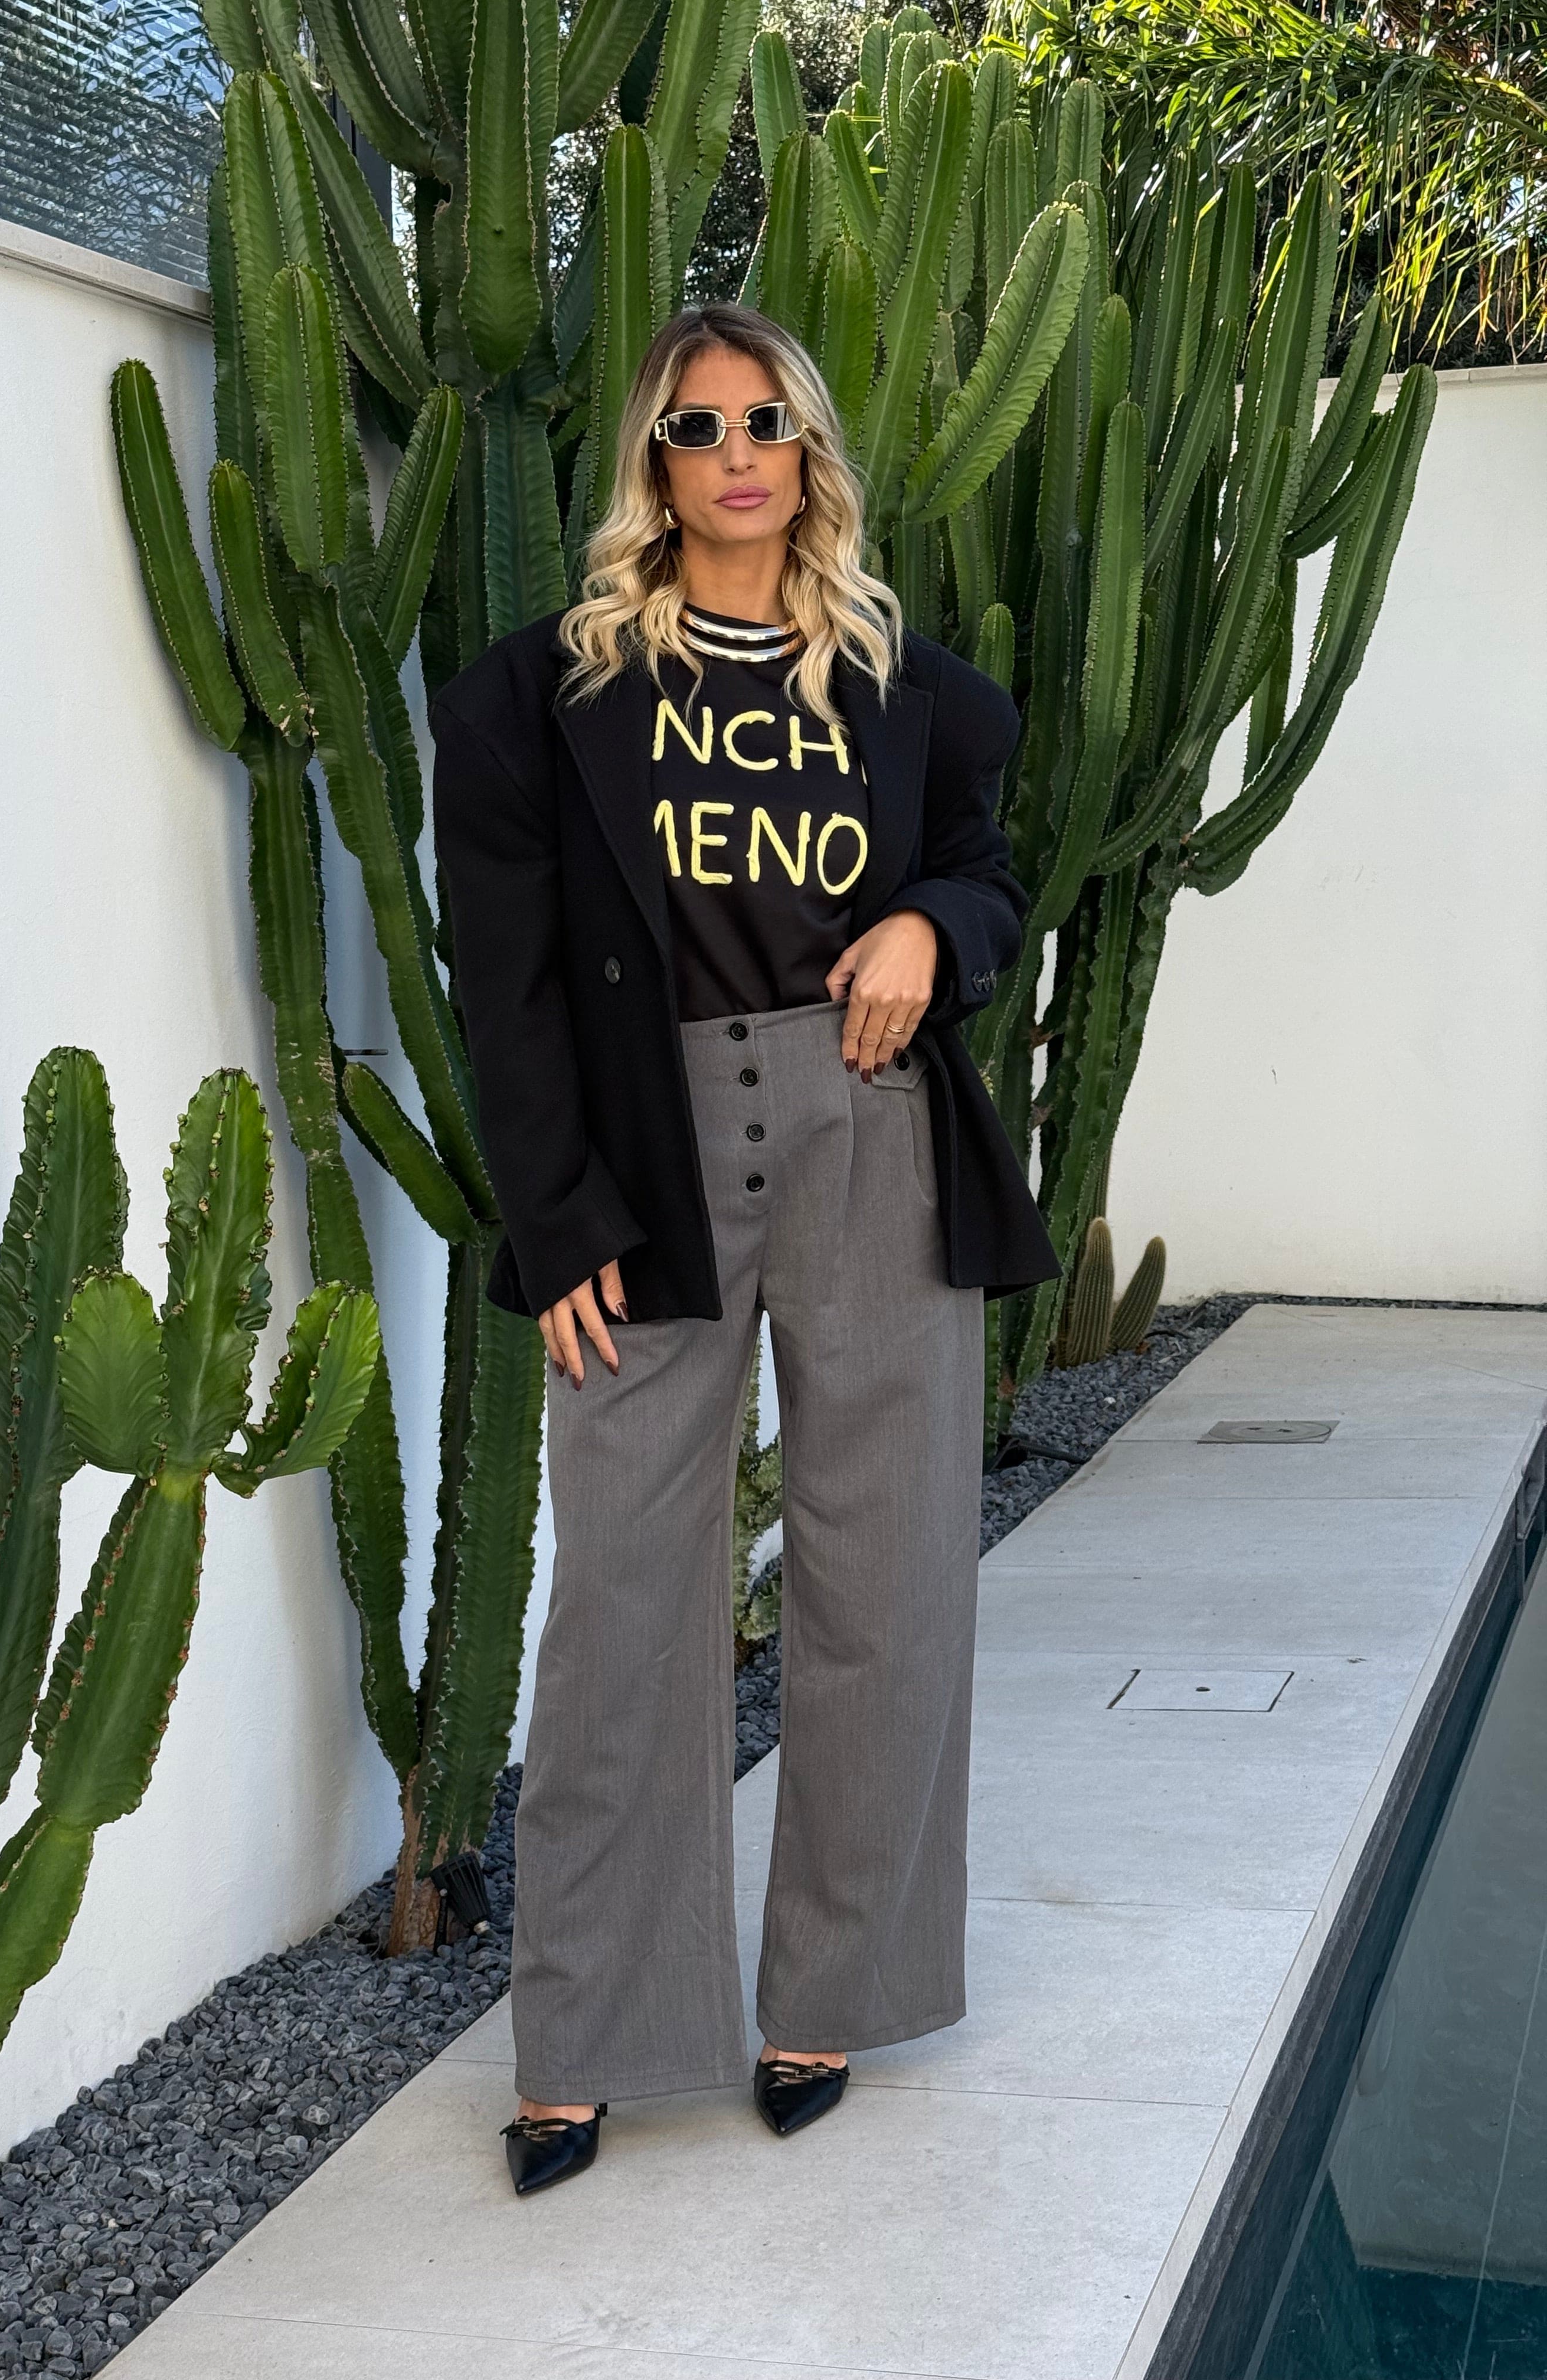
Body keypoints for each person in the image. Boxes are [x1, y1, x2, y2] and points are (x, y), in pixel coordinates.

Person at [429, 303, 1059, 2196]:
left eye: (766, 421)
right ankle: (589, 2034)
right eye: (696, 426)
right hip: (648, 1155)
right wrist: (558, 1220)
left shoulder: (914, 692)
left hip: (875, 1139)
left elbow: (990, 878)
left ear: (810, 452)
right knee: (624, 1594)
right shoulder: (540, 699)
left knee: (888, 1582)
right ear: (654, 459)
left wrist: (930, 929)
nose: (735, 456)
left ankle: (830, 1995)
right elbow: (508, 986)